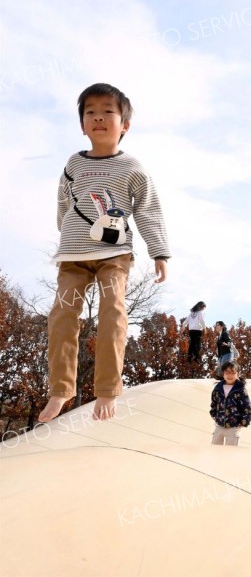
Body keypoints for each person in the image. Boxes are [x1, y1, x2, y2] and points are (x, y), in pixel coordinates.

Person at [38, 83, 170, 423]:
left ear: (124, 124)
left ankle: (108, 389)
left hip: (115, 256)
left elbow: (148, 209)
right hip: (73, 259)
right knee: (62, 316)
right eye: (90, 112)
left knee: (113, 310)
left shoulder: (132, 167)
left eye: (107, 111)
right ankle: (61, 389)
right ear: (82, 124)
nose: (98, 117)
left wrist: (159, 252)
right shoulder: (74, 164)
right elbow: (63, 202)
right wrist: (66, 231)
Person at [210, 360, 251, 445]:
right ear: (223, 374)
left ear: (237, 374)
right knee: (215, 451)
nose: (230, 375)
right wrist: (214, 415)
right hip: (219, 426)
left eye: (233, 373)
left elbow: (247, 408)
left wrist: (243, 422)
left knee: (231, 453)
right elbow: (214, 403)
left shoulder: (240, 390)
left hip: (234, 427)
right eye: (227, 372)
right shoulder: (218, 389)